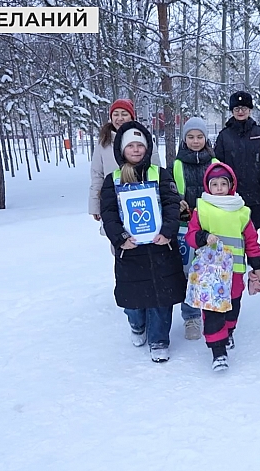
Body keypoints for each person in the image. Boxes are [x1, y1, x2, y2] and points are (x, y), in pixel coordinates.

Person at [100, 121, 186, 363]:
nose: (136, 150)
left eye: (140, 145)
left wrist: (168, 231)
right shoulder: (113, 179)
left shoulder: (160, 174)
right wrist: (120, 239)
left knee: (162, 297)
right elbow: (108, 214)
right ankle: (137, 325)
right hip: (131, 250)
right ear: (122, 150)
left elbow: (172, 204)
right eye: (131, 146)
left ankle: (159, 340)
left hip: (160, 248)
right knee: (134, 299)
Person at [185, 164, 260, 371]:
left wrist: (257, 266)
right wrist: (203, 237)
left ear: (231, 185)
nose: (219, 188)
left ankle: (228, 332)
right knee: (213, 311)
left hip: (235, 273)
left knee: (232, 308)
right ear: (208, 186)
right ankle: (217, 351)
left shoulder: (241, 211)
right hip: (210, 273)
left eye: (223, 184)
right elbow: (191, 236)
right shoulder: (202, 209)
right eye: (214, 184)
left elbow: (252, 242)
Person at [173, 117, 219, 340]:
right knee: (189, 271)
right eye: (190, 137)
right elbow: (171, 191)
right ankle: (191, 316)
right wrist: (178, 203)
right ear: (184, 139)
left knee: (210, 270)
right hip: (186, 225)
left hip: (211, 225)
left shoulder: (214, 163)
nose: (195, 141)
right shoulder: (178, 163)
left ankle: (212, 311)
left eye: (199, 137)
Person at [213, 91, 260, 231]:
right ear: (232, 111)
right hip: (230, 195)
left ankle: (253, 254)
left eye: (244, 108)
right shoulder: (224, 136)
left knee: (252, 233)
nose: (240, 111)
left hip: (255, 194)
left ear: (250, 110)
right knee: (231, 231)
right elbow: (217, 165)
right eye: (237, 109)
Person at [89, 99, 161, 220]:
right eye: (116, 114)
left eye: (124, 114)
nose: (120, 118)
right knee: (117, 234)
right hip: (113, 200)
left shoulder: (144, 139)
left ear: (132, 117)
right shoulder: (104, 142)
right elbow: (97, 175)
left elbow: (157, 169)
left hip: (143, 200)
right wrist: (95, 206)